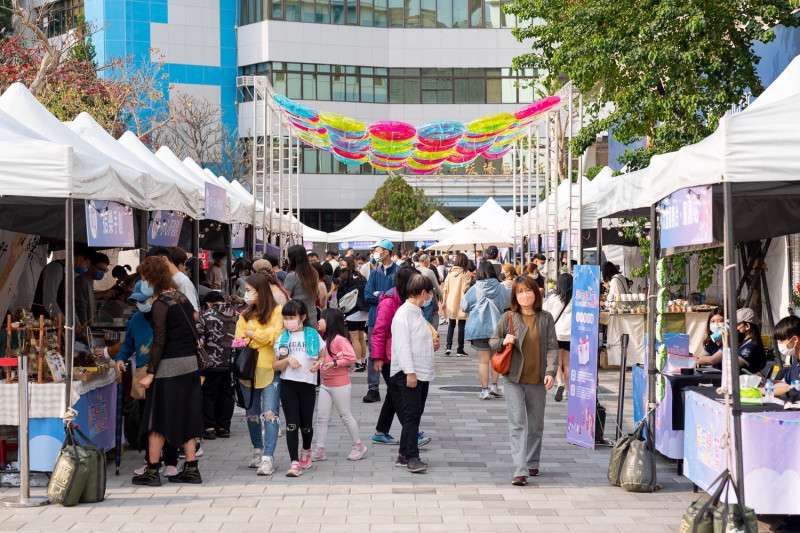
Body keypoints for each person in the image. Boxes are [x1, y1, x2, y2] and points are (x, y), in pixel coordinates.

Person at [133, 257, 204, 486]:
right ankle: (191, 467)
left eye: (144, 277)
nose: (143, 281)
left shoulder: (161, 303)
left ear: (152, 277)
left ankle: (152, 470)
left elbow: (159, 341)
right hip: (190, 364)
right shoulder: (180, 297)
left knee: (157, 417)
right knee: (188, 414)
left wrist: (151, 372)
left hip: (169, 366)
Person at [489, 274, 558, 486]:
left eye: (528, 290)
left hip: (537, 379)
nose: (524, 295)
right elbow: (492, 342)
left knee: (536, 425)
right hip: (513, 379)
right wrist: (503, 340)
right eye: (519, 292)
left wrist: (551, 371)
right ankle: (520, 470)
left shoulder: (545, 318)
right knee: (518, 424)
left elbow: (552, 347)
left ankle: (532, 461)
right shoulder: (508, 317)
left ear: (535, 293)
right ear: (514, 296)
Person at [108, 281, 174, 477]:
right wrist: (120, 359)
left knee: (167, 418)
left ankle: (170, 460)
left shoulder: (169, 317)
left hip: (166, 372)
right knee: (147, 419)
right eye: (137, 301)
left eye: (143, 300)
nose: (140, 304)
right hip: (143, 374)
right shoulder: (136, 319)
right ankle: (151, 460)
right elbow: (127, 344)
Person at [370, 266, 432, 448]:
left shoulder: (410, 304)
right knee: (400, 397)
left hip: (400, 356)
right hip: (391, 358)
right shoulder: (390, 303)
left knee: (392, 394)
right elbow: (379, 331)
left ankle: (381, 431)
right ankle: (412, 435)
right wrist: (378, 357)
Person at [235, 272, 285, 476]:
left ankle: (268, 457)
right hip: (247, 371)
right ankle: (257, 450)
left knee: (270, 414)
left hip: (270, 370)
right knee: (252, 415)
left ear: (260, 291)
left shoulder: (277, 311)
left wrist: (252, 334)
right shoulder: (244, 314)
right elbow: (239, 340)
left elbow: (277, 337)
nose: (245, 294)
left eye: (248, 290)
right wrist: (264, 335)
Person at [390, 274, 438, 473]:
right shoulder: (403, 314)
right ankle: (412, 455)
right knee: (411, 415)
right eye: (429, 292)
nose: (431, 296)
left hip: (421, 370)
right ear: (423, 292)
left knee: (414, 414)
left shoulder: (416, 312)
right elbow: (402, 346)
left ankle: (403, 454)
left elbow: (418, 339)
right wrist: (410, 372)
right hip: (409, 372)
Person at [272, 300, 325, 477]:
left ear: (302, 317)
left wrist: (319, 363)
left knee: (306, 425)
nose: (288, 321)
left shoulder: (313, 335)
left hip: (308, 385)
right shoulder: (283, 338)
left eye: (292, 317)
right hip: (288, 385)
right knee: (292, 424)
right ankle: (294, 462)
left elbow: (323, 356)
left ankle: (306, 450)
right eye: (285, 318)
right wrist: (287, 360)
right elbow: (275, 365)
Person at [311, 308, 368, 462]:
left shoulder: (339, 340)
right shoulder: (325, 339)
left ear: (329, 321)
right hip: (326, 384)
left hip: (340, 384)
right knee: (321, 417)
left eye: (322, 319)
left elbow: (351, 357)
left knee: (345, 415)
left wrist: (335, 363)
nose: (319, 321)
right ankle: (320, 449)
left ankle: (359, 445)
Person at [461, 262, 512, 399]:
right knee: (495, 358)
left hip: (478, 329)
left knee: (483, 361)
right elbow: (509, 302)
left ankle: (484, 390)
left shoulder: (474, 289)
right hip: (496, 328)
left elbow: (464, 307)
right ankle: (495, 386)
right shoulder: (501, 288)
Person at [197, 292, 237, 441]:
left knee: (208, 394)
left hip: (212, 362)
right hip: (232, 362)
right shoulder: (236, 314)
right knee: (227, 394)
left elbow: (198, 336)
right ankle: (224, 427)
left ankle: (209, 428)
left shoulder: (206, 315)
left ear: (208, 303)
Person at [364, 238, 398, 403]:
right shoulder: (374, 273)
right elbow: (367, 295)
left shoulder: (398, 272)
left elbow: (399, 296)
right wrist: (386, 297)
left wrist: (380, 295)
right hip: (374, 319)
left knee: (394, 353)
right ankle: (373, 388)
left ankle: (395, 386)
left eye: (377, 250)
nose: (375, 253)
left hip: (394, 320)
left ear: (386, 252)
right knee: (373, 354)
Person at [696, 308, 765, 374]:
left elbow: (731, 366)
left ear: (747, 326)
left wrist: (726, 345)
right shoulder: (744, 342)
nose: (733, 328)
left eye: (736, 325)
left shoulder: (751, 346)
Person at [32, 244, 90, 319]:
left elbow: (69, 304)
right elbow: (49, 301)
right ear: (80, 258)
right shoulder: (55, 268)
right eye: (87, 264)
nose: (86, 268)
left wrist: (77, 324)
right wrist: (63, 322)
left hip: (57, 322)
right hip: (44, 321)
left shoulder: (68, 272)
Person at [542, 273, 573, 402]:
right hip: (571, 336)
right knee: (568, 364)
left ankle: (559, 383)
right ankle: (567, 390)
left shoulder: (554, 299)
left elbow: (543, 311)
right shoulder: (576, 300)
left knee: (558, 363)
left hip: (556, 334)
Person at [337, 256, 369, 372]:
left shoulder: (346, 278)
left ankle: (357, 363)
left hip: (352, 311)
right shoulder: (361, 277)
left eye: (343, 265)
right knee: (361, 337)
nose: (341, 267)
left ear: (348, 265)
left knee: (354, 338)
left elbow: (341, 295)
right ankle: (363, 362)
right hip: (363, 310)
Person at [146, 247, 200, 314]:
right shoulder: (166, 280)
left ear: (165, 259)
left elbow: (194, 314)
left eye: (154, 265)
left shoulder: (182, 281)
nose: (153, 269)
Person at [284, 244, 322, 328]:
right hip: (312, 316)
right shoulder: (314, 272)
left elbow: (286, 297)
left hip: (296, 318)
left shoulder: (292, 276)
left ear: (292, 258)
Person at [442, 253, 471, 357]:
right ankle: (460, 349)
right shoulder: (466, 273)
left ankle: (448, 347)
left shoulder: (450, 272)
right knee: (461, 325)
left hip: (450, 302)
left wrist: (444, 302)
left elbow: (445, 288)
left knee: (451, 324)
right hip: (461, 302)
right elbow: (465, 288)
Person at [75, 251, 110, 334]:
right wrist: (84, 332)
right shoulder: (81, 281)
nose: (101, 272)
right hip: (80, 330)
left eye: (104, 270)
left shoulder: (90, 282)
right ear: (90, 266)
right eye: (99, 269)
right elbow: (81, 308)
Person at [773, 315, 800, 396]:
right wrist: (764, 381)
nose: (779, 344)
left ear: (795, 339)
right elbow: (785, 382)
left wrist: (758, 391)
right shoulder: (796, 362)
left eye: (781, 340)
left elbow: (790, 388)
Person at [416, 254, 443, 327]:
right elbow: (436, 285)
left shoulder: (415, 270)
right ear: (427, 261)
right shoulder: (429, 272)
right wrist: (440, 296)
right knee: (429, 317)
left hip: (417, 296)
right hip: (428, 296)